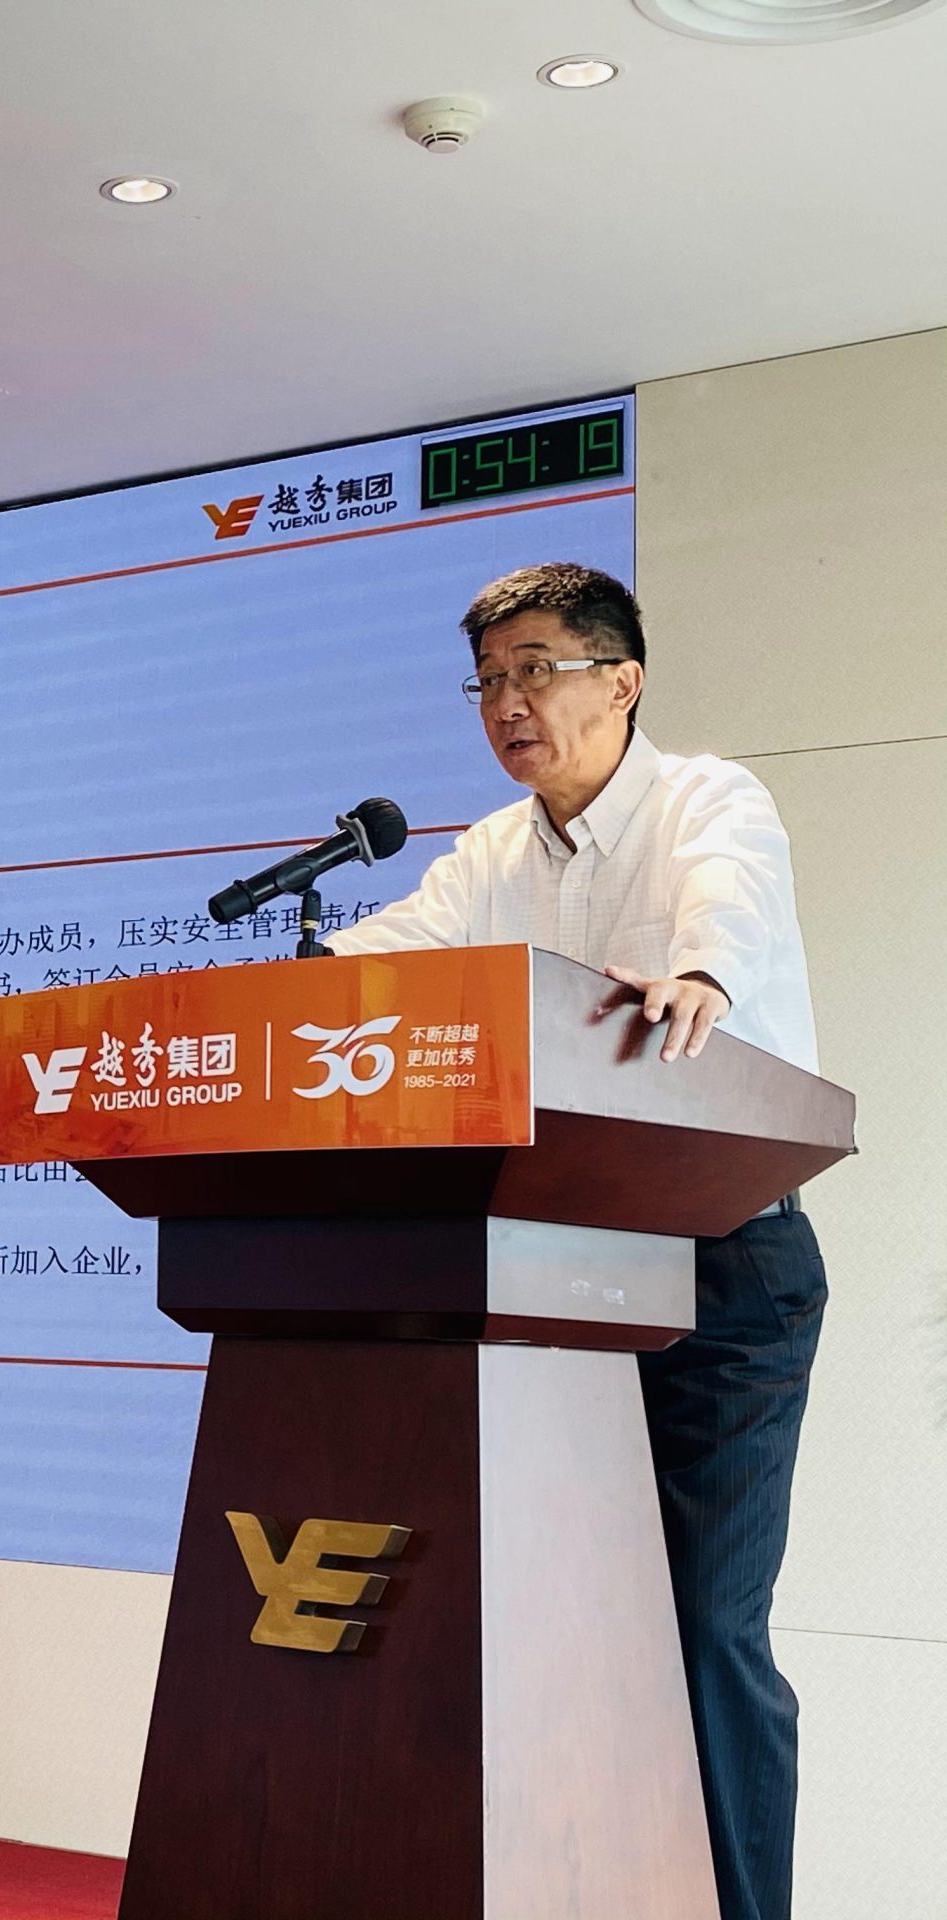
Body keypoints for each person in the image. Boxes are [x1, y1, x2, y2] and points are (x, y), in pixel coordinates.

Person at [328, 562, 825, 1920]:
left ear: (623, 680)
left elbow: (729, 911)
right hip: (550, 1281)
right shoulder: (492, 853)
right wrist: (286, 995)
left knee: (704, 1628)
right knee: (562, 1633)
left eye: (536, 670)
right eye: (488, 680)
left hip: (723, 1271)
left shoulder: (708, 801)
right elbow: (392, 955)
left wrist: (700, 975)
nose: (508, 702)